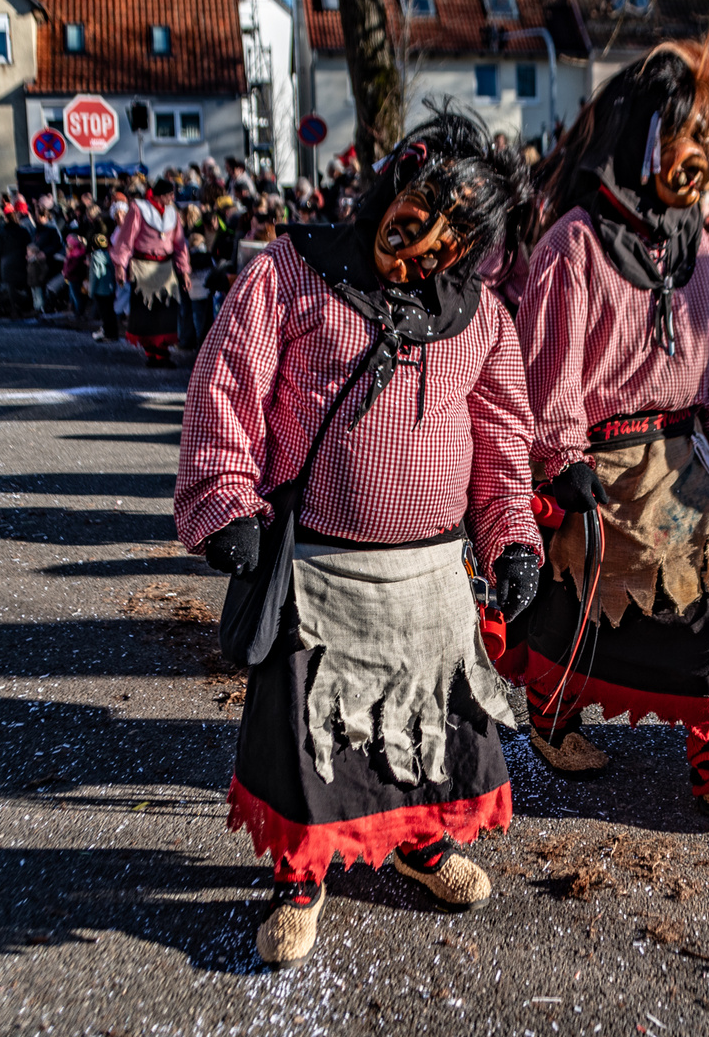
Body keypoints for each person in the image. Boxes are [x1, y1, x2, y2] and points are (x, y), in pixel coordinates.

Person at [175, 110, 542, 968]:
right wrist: (227, 499)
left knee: (425, 733)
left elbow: (501, 436)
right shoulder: (291, 275)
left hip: (431, 580)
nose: (418, 260)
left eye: (446, 252)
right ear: (387, 191)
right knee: (314, 745)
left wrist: (512, 535)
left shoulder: (480, 317)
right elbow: (226, 385)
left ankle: (417, 842)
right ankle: (302, 875)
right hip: (319, 569)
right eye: (411, 230)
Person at [512, 40, 709, 818]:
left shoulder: (702, 247)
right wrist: (560, 456)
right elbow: (550, 371)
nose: (700, 156)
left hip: (679, 457)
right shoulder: (571, 244)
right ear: (642, 139)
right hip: (602, 459)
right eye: (686, 135)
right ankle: (553, 713)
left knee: (707, 588)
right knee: (590, 603)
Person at [110, 178, 190, 367]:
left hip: (165, 267)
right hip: (143, 266)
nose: (173, 198)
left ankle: (162, 351)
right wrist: (120, 266)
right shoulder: (139, 210)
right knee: (148, 312)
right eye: (170, 195)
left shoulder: (173, 214)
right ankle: (152, 352)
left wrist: (184, 270)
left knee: (165, 311)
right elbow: (126, 239)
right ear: (160, 195)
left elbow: (180, 244)